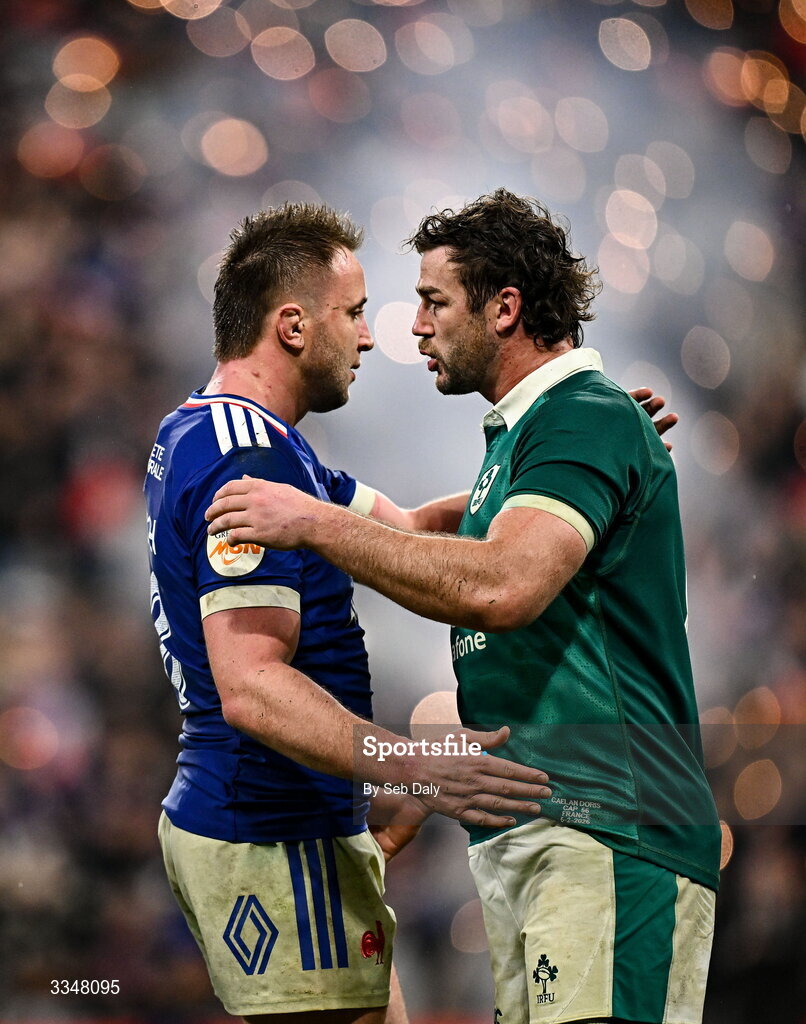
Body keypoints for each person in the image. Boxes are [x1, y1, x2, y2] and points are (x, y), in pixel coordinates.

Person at [206, 189, 722, 1024]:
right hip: (546, 831)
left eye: (434, 302)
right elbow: (423, 535)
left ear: (506, 309)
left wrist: (310, 521)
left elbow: (498, 586)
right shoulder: (532, 440)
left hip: (614, 833)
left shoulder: (582, 418)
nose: (411, 328)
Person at [143, 202, 555, 1023]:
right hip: (266, 832)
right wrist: (410, 765)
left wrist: (576, 454)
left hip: (295, 824)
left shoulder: (242, 437)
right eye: (356, 314)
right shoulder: (243, 453)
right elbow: (252, 688)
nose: (371, 337)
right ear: (292, 325)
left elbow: (405, 530)